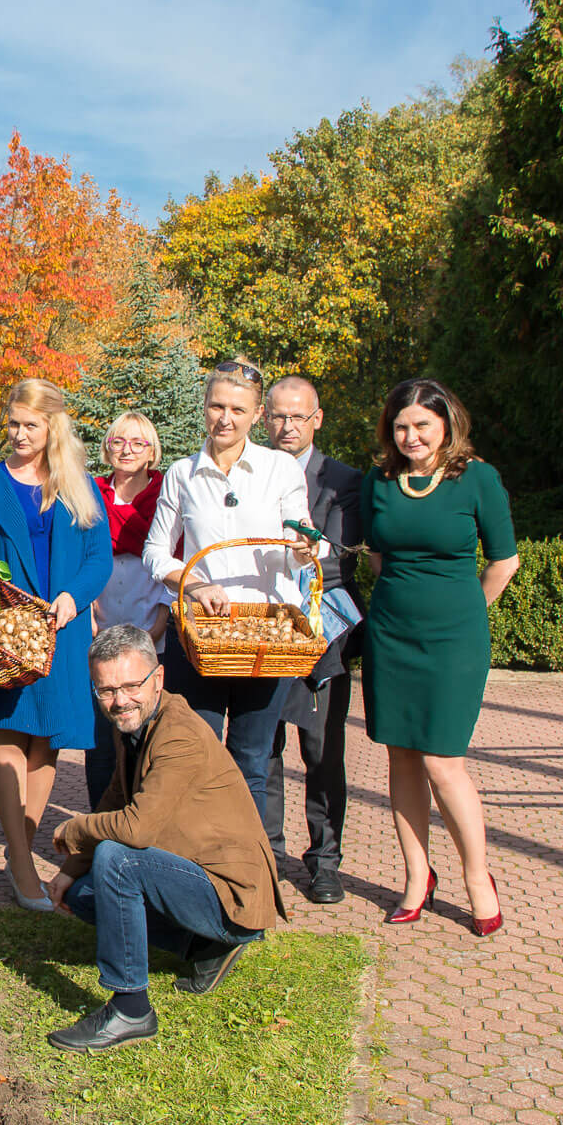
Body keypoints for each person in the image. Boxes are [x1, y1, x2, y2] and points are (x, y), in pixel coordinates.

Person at [44, 626, 286, 1053]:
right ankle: (207, 946)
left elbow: (135, 829)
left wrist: (75, 830)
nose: (120, 701)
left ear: (158, 679)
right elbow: (116, 798)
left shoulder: (179, 734)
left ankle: (131, 1009)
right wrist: (69, 871)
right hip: (202, 877)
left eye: (131, 686)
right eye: (107, 690)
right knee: (83, 894)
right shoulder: (137, 723)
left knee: (120, 859)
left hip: (234, 891)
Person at [362, 378, 517, 936]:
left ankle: (478, 877)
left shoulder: (477, 479)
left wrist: (462, 612)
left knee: (442, 762)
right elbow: (377, 556)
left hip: (455, 640)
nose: (411, 436)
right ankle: (416, 877)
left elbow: (504, 561)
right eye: (401, 426)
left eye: (422, 425)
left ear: (446, 424)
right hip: (392, 634)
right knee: (401, 756)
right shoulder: (378, 483)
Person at [0, 379, 110, 911]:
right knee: (10, 734)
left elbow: (99, 559)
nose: (20, 434)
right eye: (14, 424)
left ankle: (18, 847)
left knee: (48, 740)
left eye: (31, 425)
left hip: (61, 628)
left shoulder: (78, 484)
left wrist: (74, 597)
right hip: (9, 626)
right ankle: (21, 864)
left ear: (52, 427)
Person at [142, 357, 313, 833]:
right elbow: (156, 553)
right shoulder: (182, 473)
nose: (225, 417)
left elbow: (298, 543)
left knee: (251, 762)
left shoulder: (280, 469)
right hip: (202, 635)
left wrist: (304, 546)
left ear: (257, 415)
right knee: (194, 758)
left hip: (266, 633)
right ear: (205, 407)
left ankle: (249, 875)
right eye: (217, 405)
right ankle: (196, 870)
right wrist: (194, 585)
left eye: (238, 409)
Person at [262, 376, 364, 905]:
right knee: (265, 746)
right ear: (265, 418)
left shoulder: (345, 480)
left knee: (323, 751)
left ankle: (325, 861)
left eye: (299, 417)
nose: (287, 427)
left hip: (325, 633)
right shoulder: (252, 472)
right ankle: (269, 855)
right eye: (279, 416)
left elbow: (339, 555)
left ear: (317, 419)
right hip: (262, 627)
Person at [87, 410, 168, 810]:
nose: (127, 450)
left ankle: (142, 818)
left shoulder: (165, 495)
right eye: (119, 441)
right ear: (107, 448)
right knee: (102, 741)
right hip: (100, 632)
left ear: (152, 452)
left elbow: (177, 561)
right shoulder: (90, 495)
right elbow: (81, 561)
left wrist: (156, 629)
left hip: (151, 630)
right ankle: (100, 822)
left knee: (145, 734)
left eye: (138, 443)